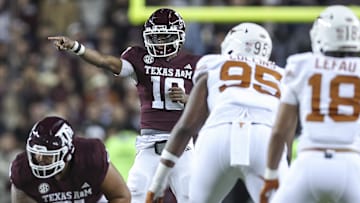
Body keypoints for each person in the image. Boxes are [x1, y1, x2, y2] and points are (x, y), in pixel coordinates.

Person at [48, 8, 202, 203]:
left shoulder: (195, 63)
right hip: (149, 146)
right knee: (134, 197)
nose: (160, 42)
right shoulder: (139, 58)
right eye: (156, 37)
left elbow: (211, 102)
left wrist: (187, 99)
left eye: (165, 36)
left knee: (195, 198)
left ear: (179, 36)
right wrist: (77, 47)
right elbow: (106, 62)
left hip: (182, 146)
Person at [145, 22, 289, 203]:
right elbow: (286, 130)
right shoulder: (283, 75)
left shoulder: (214, 63)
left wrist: (158, 182)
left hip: (219, 133)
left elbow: (186, 126)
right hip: (265, 138)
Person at [260, 5, 360, 203]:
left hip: (309, 162)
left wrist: (271, 176)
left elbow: (280, 131)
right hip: (351, 163)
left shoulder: (302, 65)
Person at [9, 116, 131, 203]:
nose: (40, 158)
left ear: (67, 153)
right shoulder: (23, 170)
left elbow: (120, 196)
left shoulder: (90, 157)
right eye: (36, 153)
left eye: (48, 154)